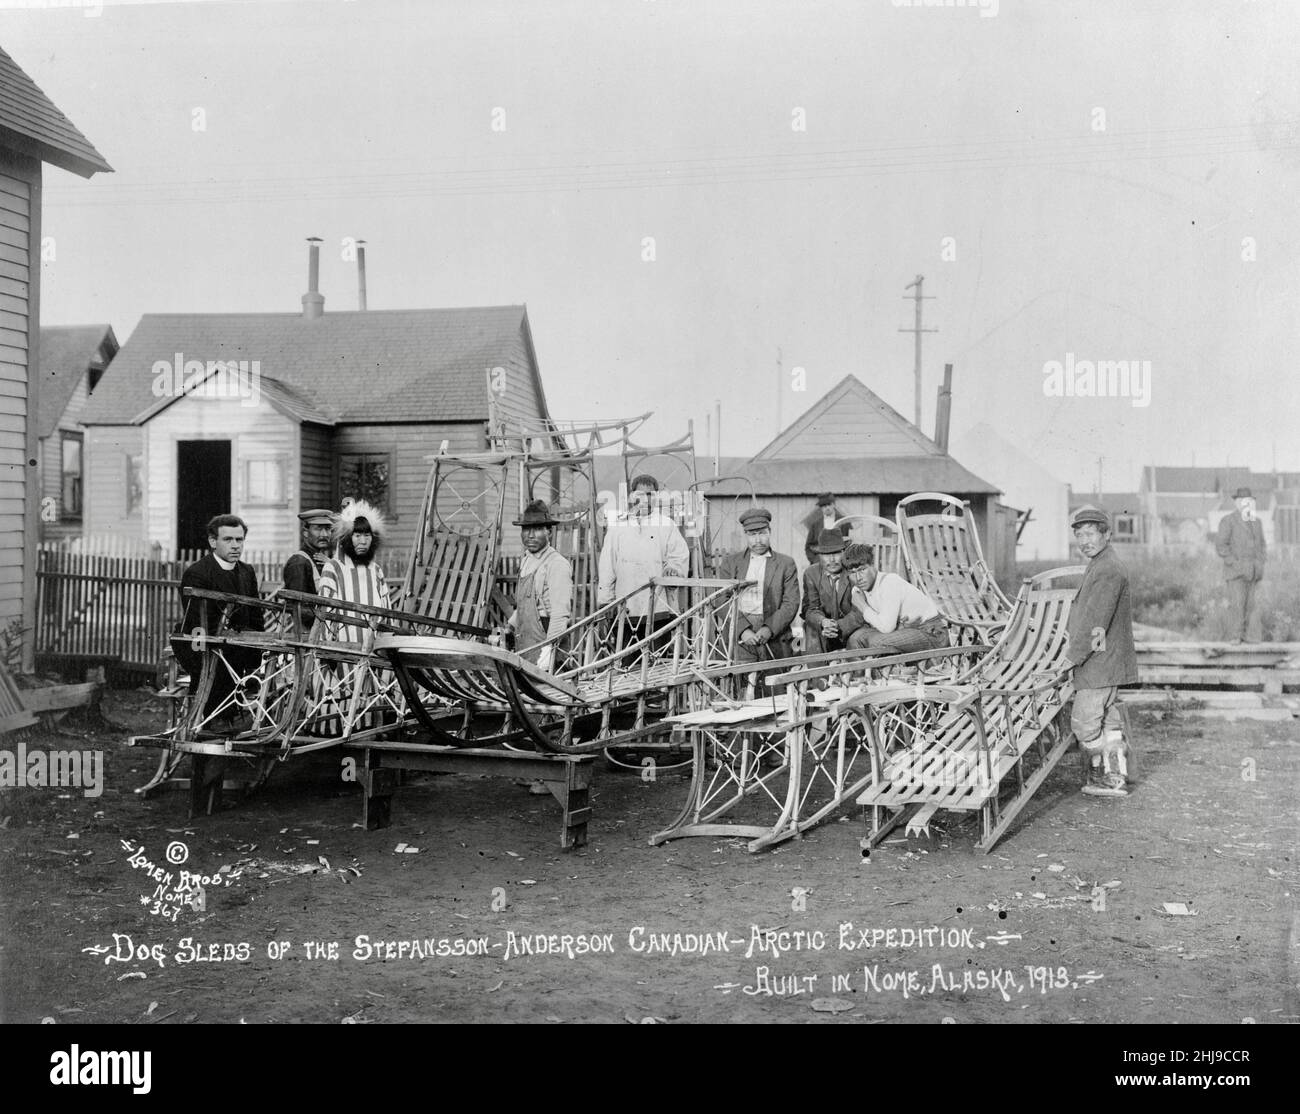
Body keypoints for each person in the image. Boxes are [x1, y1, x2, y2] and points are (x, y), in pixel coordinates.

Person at [1066, 505, 1138, 798]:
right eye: (1079, 535)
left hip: (1099, 663)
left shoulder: (1107, 569)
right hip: (1106, 663)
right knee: (1107, 719)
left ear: (1107, 534)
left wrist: (1070, 659)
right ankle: (1116, 775)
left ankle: (1102, 773)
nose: (1084, 540)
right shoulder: (1102, 563)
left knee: (1084, 723)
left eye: (1091, 534)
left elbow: (1096, 624)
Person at [172, 514, 265, 717]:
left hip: (240, 645)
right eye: (228, 539)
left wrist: (259, 645)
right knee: (216, 653)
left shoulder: (246, 572)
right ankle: (218, 719)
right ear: (213, 542)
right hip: (200, 644)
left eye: (239, 540)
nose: (235, 546)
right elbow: (199, 624)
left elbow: (256, 617)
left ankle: (248, 717)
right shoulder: (198, 573)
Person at [597, 473, 689, 645]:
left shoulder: (666, 524)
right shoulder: (618, 527)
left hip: (658, 606)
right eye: (640, 494)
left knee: (658, 661)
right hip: (626, 605)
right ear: (632, 496)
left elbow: (679, 556)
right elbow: (607, 566)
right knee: (627, 661)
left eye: (650, 495)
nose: (645, 499)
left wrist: (673, 569)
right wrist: (605, 602)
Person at [714, 507, 800, 662]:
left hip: (774, 633)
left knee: (773, 683)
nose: (758, 540)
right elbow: (721, 600)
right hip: (738, 633)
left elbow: (791, 603)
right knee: (739, 681)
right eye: (753, 534)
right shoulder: (730, 563)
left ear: (770, 531)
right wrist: (743, 630)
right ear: (745, 535)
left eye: (762, 533)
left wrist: (768, 629)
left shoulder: (785, 564)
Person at [504, 500, 573, 673]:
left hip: (547, 636)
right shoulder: (527, 560)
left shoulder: (556, 564)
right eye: (526, 529)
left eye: (537, 529)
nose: (530, 535)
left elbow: (560, 613)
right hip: (526, 639)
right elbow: (525, 605)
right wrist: (510, 625)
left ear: (548, 531)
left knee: (552, 694)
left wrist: (550, 649)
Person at [841, 543, 948, 653]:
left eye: (862, 570)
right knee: (855, 639)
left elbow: (886, 628)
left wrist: (863, 606)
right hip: (906, 629)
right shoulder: (858, 591)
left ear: (873, 565)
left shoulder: (889, 582)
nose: (858, 578)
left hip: (931, 632)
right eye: (853, 573)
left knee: (877, 642)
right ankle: (862, 670)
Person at [317, 499, 389, 633]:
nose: (363, 541)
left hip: (374, 646)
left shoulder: (376, 571)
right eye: (357, 536)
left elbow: (386, 612)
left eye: (367, 535)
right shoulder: (333, 568)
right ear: (348, 538)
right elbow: (323, 614)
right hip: (342, 645)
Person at [801, 528, 866, 655]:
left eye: (836, 553)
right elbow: (810, 609)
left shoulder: (854, 571)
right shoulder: (811, 573)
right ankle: (818, 674)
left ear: (844, 552)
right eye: (826, 554)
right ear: (819, 555)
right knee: (811, 629)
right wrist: (823, 622)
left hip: (850, 628)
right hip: (825, 629)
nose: (831, 559)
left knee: (857, 637)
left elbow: (860, 611)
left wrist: (838, 626)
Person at [1216, 486, 1267, 643]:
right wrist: (1235, 563)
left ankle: (1247, 638)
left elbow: (1262, 545)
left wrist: (1260, 562)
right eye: (1243, 501)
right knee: (1237, 605)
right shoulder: (1228, 521)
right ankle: (1235, 637)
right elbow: (1221, 546)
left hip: (1253, 572)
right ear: (1236, 503)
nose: (1246, 504)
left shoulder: (1257, 522)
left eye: (1249, 501)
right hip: (1236, 573)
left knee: (1250, 607)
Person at [280, 508, 336, 630]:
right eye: (318, 529)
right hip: (307, 635)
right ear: (305, 532)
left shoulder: (324, 561)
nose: (324, 534)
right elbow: (300, 609)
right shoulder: (299, 563)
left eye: (327, 529)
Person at [803, 492, 851, 566]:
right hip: (820, 561)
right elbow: (808, 547)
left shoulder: (844, 522)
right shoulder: (815, 524)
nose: (827, 508)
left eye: (829, 504)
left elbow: (849, 542)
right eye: (824, 506)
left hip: (840, 560)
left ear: (834, 505)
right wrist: (814, 560)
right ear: (821, 508)